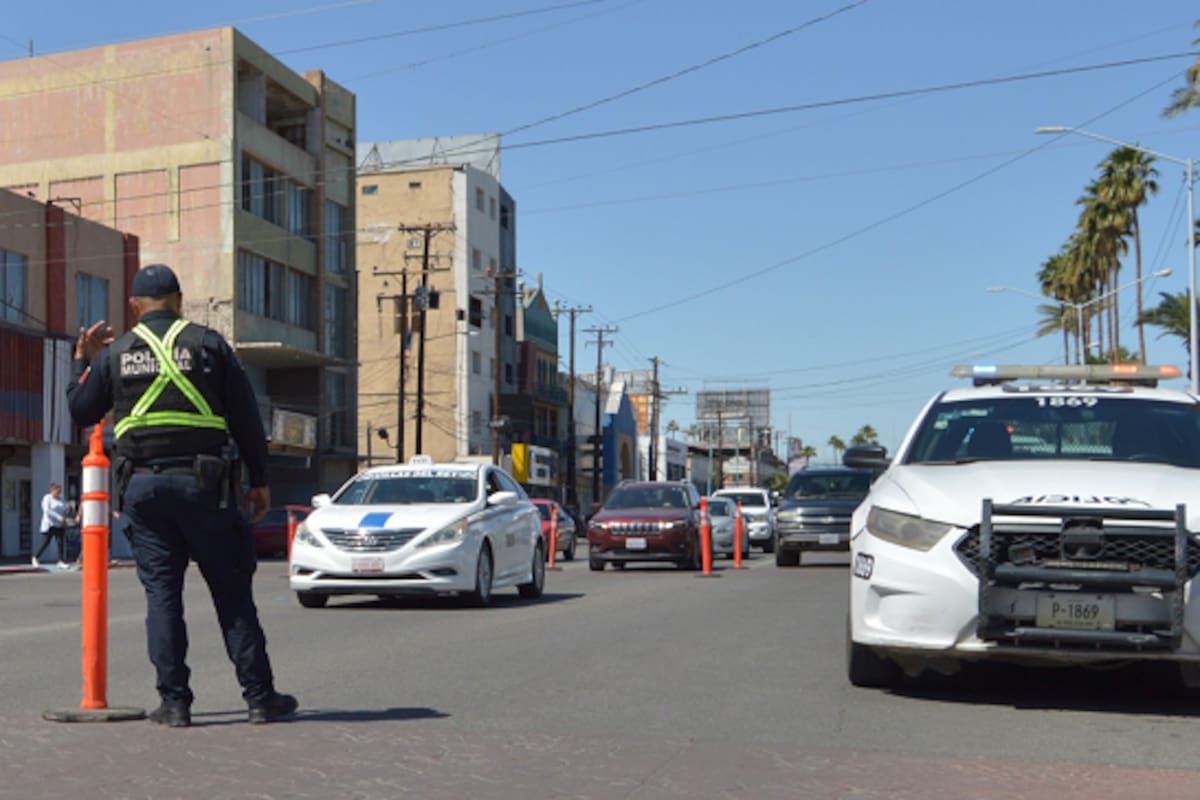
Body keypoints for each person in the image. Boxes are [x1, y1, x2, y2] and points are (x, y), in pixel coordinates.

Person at [66, 263, 297, 728]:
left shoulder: (118, 354)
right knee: (232, 594)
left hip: (145, 490)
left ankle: (174, 704)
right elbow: (247, 419)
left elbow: (80, 409)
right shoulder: (210, 344)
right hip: (207, 486)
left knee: (163, 598)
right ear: (179, 299)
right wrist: (259, 480)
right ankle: (259, 698)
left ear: (133, 306)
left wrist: (84, 361)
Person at [33, 483, 70, 567]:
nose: (58, 493)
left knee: (60, 542)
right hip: (49, 524)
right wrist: (59, 517)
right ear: (52, 491)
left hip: (59, 524)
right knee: (45, 542)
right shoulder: (47, 498)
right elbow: (47, 511)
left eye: (59, 491)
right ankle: (35, 557)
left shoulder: (62, 498)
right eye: (57, 491)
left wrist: (67, 509)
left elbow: (64, 507)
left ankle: (61, 560)